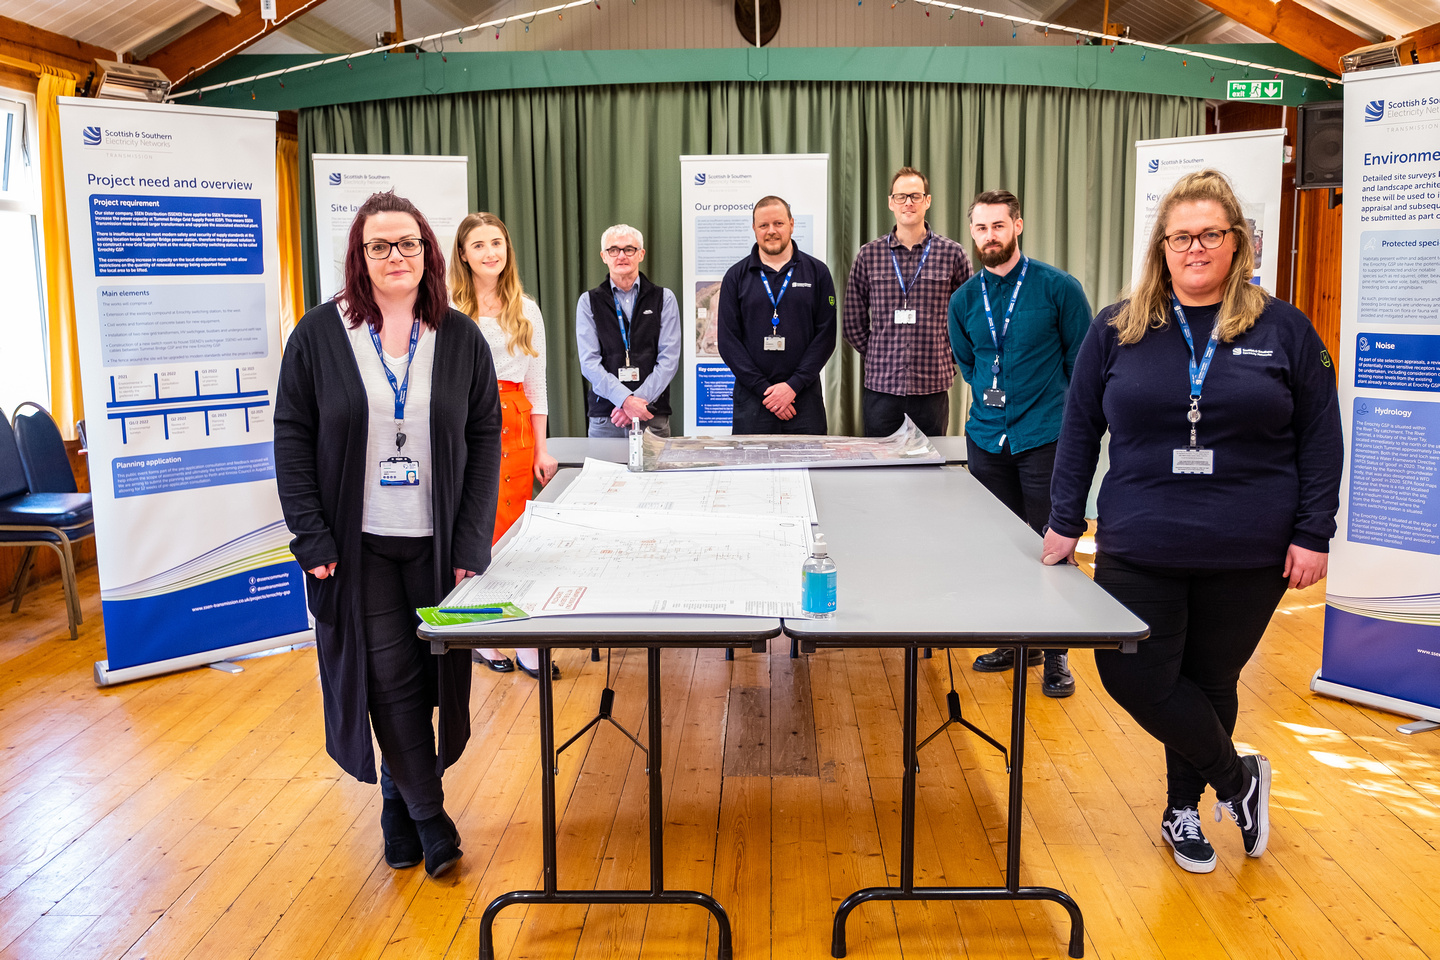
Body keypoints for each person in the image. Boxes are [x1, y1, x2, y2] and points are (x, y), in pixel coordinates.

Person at [1042, 169, 1342, 875]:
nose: (1196, 248)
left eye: (1211, 234)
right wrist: (1062, 519)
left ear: (1237, 243)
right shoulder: (1118, 328)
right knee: (1133, 675)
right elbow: (1079, 428)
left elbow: (1321, 437)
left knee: (1209, 681)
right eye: (1182, 236)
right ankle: (1239, 781)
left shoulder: (1284, 329)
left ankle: (1183, 813)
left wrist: (1313, 531)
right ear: (1162, 247)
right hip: (1139, 537)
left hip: (1249, 546)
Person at [274, 190, 502, 879]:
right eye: (380, 245)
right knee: (388, 678)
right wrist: (310, 537)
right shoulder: (318, 335)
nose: (395, 256)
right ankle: (432, 819)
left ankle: (397, 807)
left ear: (428, 252)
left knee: (432, 678)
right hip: (357, 543)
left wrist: (471, 541)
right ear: (359, 256)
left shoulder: (459, 337)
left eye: (407, 243)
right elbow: (292, 435)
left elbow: (485, 435)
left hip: (435, 543)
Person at [948, 189, 1091, 696]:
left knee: (1051, 545)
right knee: (1000, 547)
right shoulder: (964, 299)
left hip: (1043, 436)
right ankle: (1013, 641)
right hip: (987, 438)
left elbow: (1083, 364)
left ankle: (1055, 654)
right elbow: (968, 363)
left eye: (999, 226)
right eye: (981, 228)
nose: (990, 236)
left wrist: (1067, 422)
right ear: (973, 234)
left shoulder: (1059, 288)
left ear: (1018, 226)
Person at [449, 212, 559, 680]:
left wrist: (542, 448)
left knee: (519, 536)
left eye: (497, 242)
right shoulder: (447, 307)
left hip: (514, 426)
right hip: (463, 423)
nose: (490, 252)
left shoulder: (526, 308)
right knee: (474, 530)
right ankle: (485, 634)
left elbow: (539, 384)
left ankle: (529, 640)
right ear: (463, 254)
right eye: (479, 245)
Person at [842, 166, 972, 437]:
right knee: (880, 469)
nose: (908, 203)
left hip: (932, 387)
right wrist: (880, 350)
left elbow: (970, 318)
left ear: (928, 201)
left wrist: (946, 353)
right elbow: (852, 322)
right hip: (881, 388)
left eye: (915, 196)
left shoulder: (953, 254)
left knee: (932, 466)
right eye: (901, 197)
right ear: (891, 202)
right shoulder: (869, 255)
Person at [717, 195, 837, 434]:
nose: (771, 231)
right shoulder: (735, 276)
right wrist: (765, 390)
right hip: (753, 401)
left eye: (778, 223)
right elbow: (728, 342)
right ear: (754, 228)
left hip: (803, 400)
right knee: (753, 471)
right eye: (763, 225)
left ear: (792, 224)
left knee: (808, 469)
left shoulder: (818, 272)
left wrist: (792, 386)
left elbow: (826, 336)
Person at [576, 224, 681, 438]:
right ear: (603, 256)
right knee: (605, 473)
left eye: (629, 249)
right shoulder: (588, 302)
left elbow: (669, 359)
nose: (621, 255)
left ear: (641, 254)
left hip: (651, 414)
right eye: (613, 250)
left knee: (654, 473)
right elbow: (589, 363)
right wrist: (624, 401)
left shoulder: (664, 298)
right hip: (607, 417)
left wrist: (636, 403)